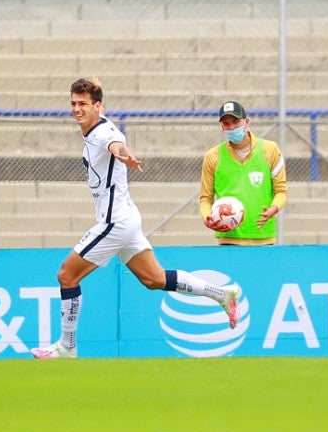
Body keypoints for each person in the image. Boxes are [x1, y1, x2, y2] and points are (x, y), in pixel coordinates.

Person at [30, 77, 243, 359]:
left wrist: (125, 154)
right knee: (154, 279)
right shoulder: (96, 123)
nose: (76, 109)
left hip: (114, 223)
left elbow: (115, 144)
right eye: (73, 103)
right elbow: (106, 128)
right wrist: (94, 84)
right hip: (128, 219)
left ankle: (67, 347)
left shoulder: (105, 133)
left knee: (66, 276)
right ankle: (221, 293)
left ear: (98, 106)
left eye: (83, 104)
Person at [199, 100, 287, 245]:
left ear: (247, 122)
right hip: (228, 238)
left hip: (263, 237)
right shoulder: (212, 156)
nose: (232, 127)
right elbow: (205, 198)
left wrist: (273, 209)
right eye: (227, 124)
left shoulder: (270, 150)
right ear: (222, 127)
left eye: (235, 121)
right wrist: (207, 217)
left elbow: (281, 191)